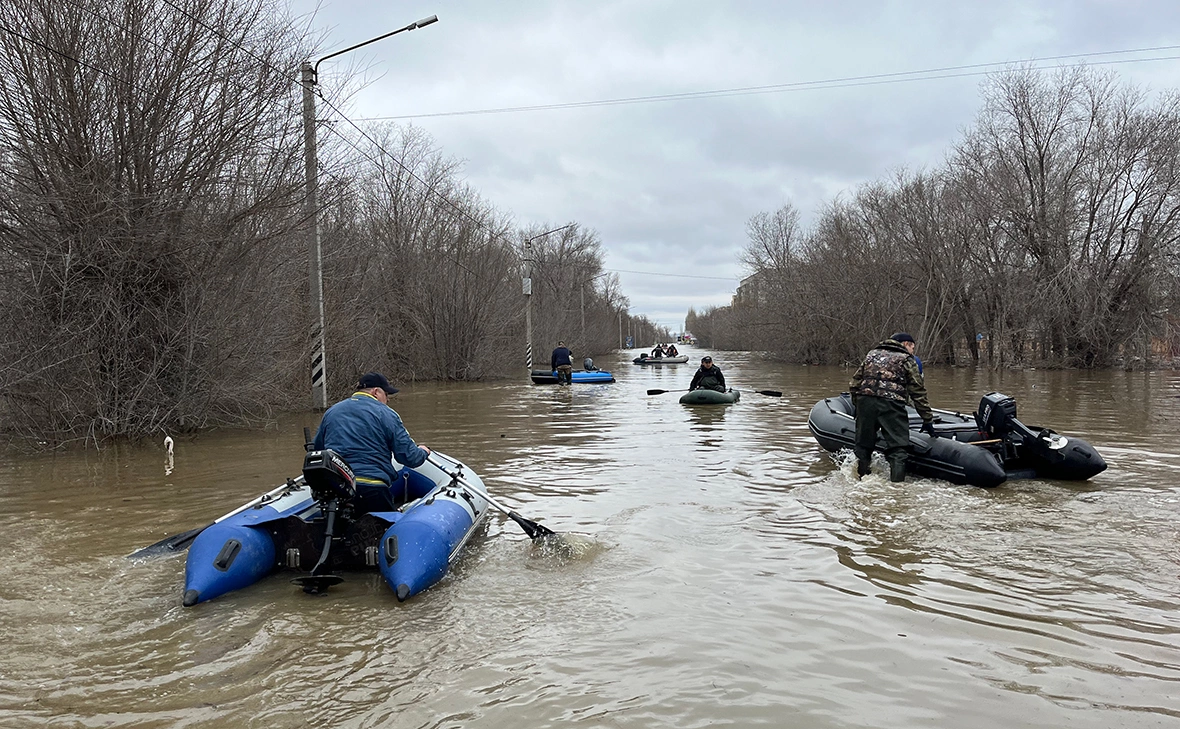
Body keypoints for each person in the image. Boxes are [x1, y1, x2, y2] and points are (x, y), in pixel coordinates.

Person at [312, 372, 431, 513]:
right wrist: (424, 451)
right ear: (375, 392)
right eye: (386, 394)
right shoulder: (387, 414)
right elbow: (409, 457)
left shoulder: (332, 412)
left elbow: (317, 449)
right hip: (372, 488)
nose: (388, 399)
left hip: (337, 488)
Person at [848, 332, 934, 483]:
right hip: (891, 404)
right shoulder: (907, 359)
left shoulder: (872, 355)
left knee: (863, 446)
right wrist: (927, 419)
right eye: (912, 347)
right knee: (898, 450)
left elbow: (855, 383)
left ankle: (859, 479)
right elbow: (918, 391)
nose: (913, 351)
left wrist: (858, 406)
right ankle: (896, 487)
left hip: (865, 401)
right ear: (906, 344)